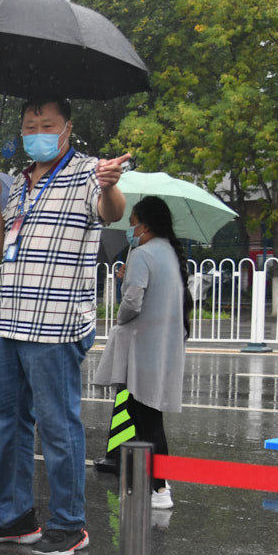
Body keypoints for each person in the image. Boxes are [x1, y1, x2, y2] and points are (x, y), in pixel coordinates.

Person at [0, 96, 130, 555]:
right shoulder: (18, 183)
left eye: (46, 123)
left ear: (67, 129)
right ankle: (14, 518)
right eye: (30, 124)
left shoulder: (87, 172)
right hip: (10, 321)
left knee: (57, 425)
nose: (37, 130)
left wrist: (111, 185)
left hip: (55, 326)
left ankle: (70, 523)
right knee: (8, 423)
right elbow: (0, 245)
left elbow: (110, 211)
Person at [91, 197, 190, 510]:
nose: (130, 229)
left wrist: (120, 314)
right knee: (149, 414)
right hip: (163, 346)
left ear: (145, 225)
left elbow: (132, 303)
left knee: (144, 417)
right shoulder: (169, 252)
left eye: (132, 222)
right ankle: (156, 482)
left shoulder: (143, 254)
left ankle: (159, 489)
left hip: (142, 348)